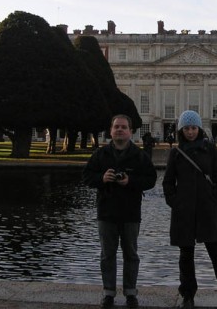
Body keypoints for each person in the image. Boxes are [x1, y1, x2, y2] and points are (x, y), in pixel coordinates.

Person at [162, 110, 217, 309]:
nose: (190, 132)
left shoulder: (210, 149)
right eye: (187, 128)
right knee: (186, 257)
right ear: (182, 130)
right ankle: (187, 296)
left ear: (199, 129)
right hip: (185, 212)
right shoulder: (176, 153)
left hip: (208, 210)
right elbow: (168, 183)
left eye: (194, 128)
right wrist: (176, 202)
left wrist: (216, 198)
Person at [83, 114, 157, 309]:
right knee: (107, 254)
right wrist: (102, 178)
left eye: (124, 127)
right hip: (106, 212)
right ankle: (108, 293)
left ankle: (130, 293)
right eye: (116, 127)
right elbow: (86, 176)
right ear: (111, 130)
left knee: (131, 254)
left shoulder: (139, 156)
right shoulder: (101, 154)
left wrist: (130, 181)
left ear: (131, 131)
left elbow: (151, 179)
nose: (120, 130)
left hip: (131, 212)